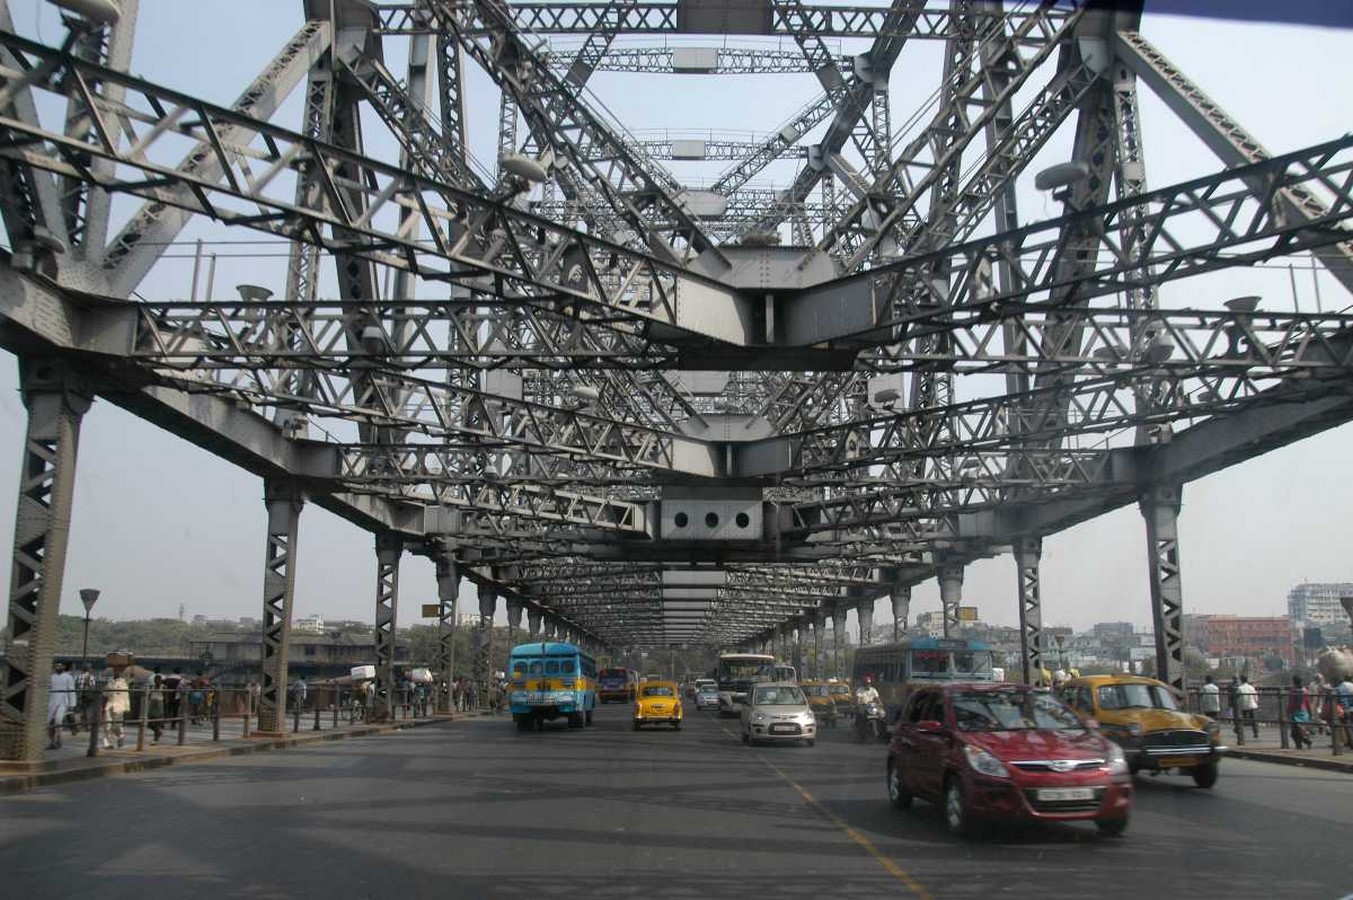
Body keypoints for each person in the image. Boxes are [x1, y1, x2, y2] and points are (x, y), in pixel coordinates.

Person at [47, 661, 76, 750]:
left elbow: (71, 690)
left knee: (58, 720)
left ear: (63, 667)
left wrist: (72, 704)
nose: (58, 667)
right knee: (49, 723)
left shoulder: (68, 677)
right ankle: (52, 741)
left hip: (63, 702)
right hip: (51, 702)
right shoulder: (51, 677)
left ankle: (59, 740)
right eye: (57, 666)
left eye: (60, 666)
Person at [103, 668, 130, 750]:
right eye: (115, 671)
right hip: (110, 704)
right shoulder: (110, 682)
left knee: (117, 725)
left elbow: (126, 696)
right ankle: (106, 743)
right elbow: (105, 693)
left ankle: (121, 736)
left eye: (118, 671)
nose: (116, 673)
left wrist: (127, 707)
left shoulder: (123, 682)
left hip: (119, 706)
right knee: (107, 724)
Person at [1287, 675, 1313, 750]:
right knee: (1303, 729)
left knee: (1294, 732)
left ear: (1294, 681)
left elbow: (1291, 703)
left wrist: (1288, 712)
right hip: (1304, 712)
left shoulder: (1292, 691)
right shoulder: (1305, 690)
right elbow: (1307, 703)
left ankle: (1303, 743)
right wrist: (1310, 713)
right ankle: (1306, 741)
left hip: (1296, 713)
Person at [147, 674, 166, 744]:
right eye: (155, 680)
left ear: (161, 680)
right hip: (152, 705)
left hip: (159, 706)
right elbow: (149, 695)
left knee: (158, 723)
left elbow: (166, 698)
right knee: (149, 723)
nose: (157, 681)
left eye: (158, 680)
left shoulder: (163, 687)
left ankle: (155, 739)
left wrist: (166, 709)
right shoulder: (152, 687)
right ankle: (158, 732)